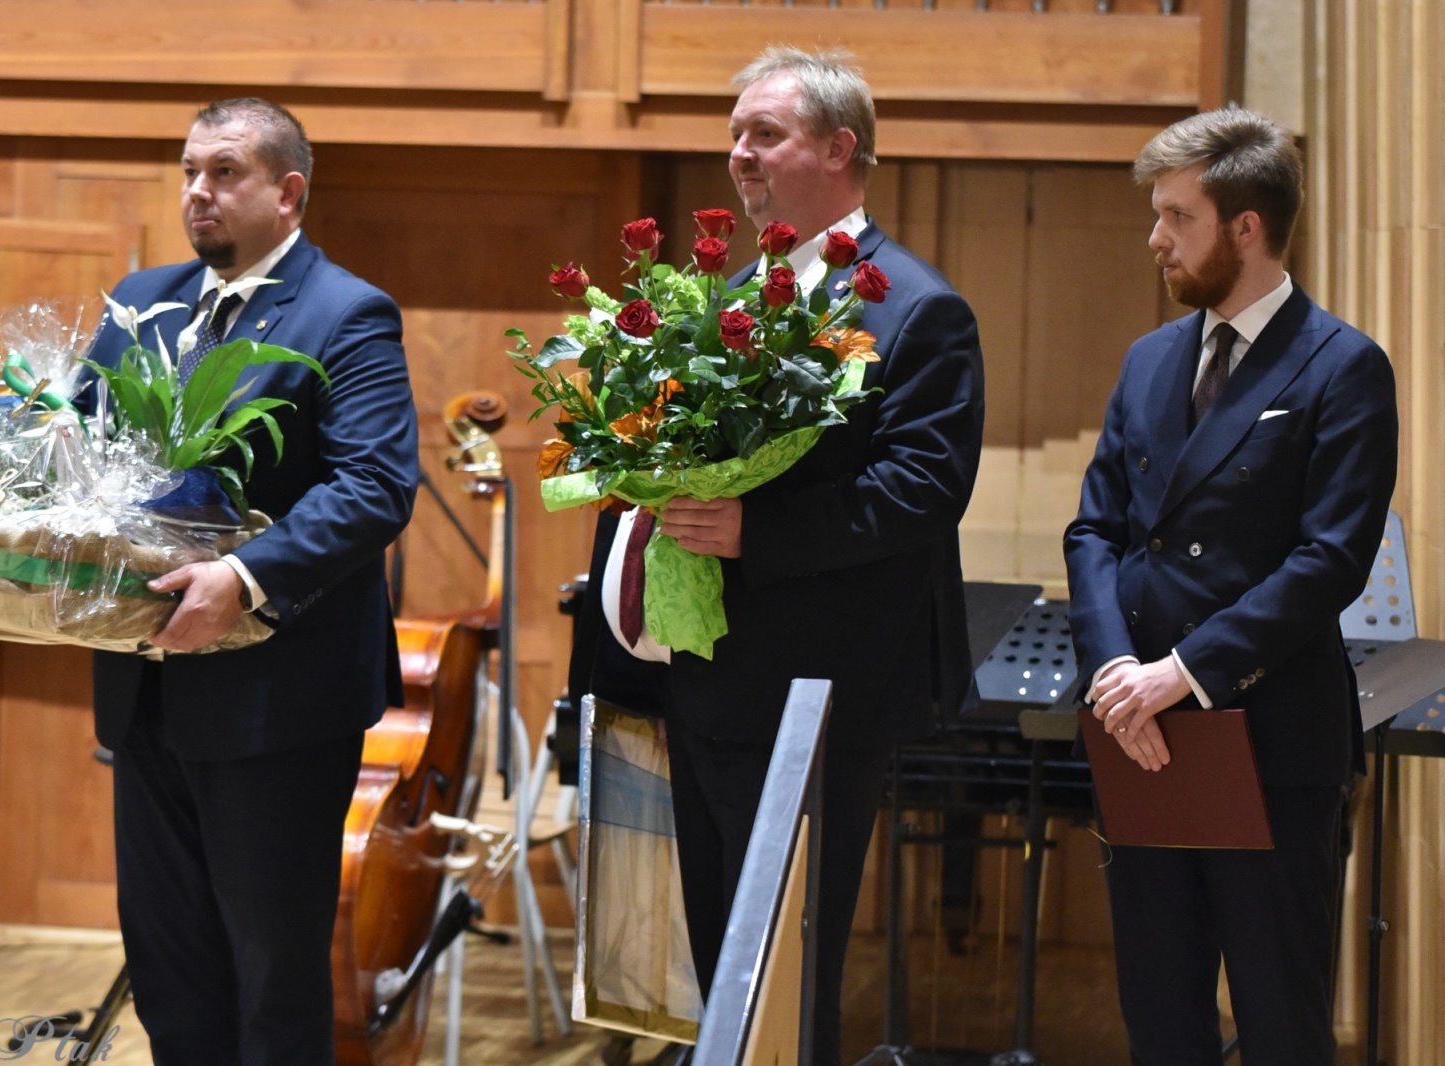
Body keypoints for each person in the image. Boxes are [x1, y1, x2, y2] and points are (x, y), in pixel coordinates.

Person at [571, 47, 984, 1066]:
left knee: (784, 964)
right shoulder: (721, 298)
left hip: (817, 692)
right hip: (698, 674)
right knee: (718, 966)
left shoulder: (915, 310)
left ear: (840, 149)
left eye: (765, 134)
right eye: (735, 135)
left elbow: (923, 490)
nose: (738, 155)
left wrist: (759, 534)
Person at [80, 98, 418, 1065]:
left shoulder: (344, 312)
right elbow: (65, 455)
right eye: (189, 171)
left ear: (288, 190)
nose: (198, 192)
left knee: (271, 977)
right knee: (170, 971)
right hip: (145, 690)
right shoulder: (141, 301)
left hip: (279, 704)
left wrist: (244, 572)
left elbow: (377, 485)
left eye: (224, 172)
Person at [1063, 107, 1397, 1065]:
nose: (1155, 238)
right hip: (1142, 732)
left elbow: (1330, 560)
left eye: (1177, 217)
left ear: (1245, 226)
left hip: (1267, 740)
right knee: (1160, 1022)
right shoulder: (1149, 357)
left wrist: (1183, 671)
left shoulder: (1342, 366)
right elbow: (1096, 528)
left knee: (1283, 1026)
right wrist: (1115, 670)